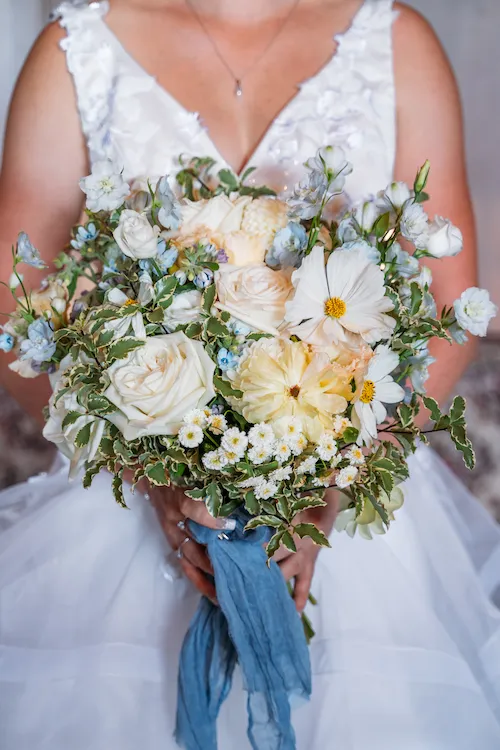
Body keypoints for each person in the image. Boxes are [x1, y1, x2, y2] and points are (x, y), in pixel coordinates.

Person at [0, 0, 499, 747]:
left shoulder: (397, 43)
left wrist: (337, 482)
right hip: (131, 514)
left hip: (359, 526)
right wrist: (152, 470)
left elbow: (452, 305)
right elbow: (16, 310)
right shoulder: (76, 51)